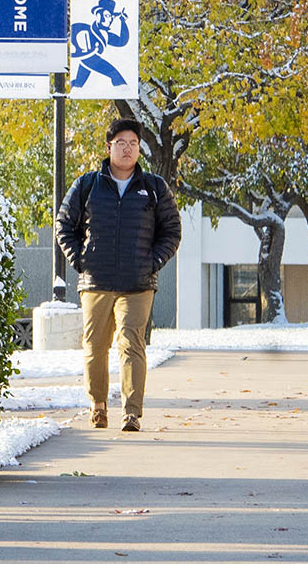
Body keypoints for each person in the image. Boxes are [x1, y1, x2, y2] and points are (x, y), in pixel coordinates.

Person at [56, 118, 181, 432]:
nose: (128, 149)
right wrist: (81, 260)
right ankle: (98, 405)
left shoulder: (153, 187)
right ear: (109, 147)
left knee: (131, 343)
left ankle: (132, 411)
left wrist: (152, 262)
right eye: (122, 142)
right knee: (95, 346)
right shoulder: (87, 185)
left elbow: (172, 231)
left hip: (138, 283)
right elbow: (63, 226)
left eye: (134, 144)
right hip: (96, 281)